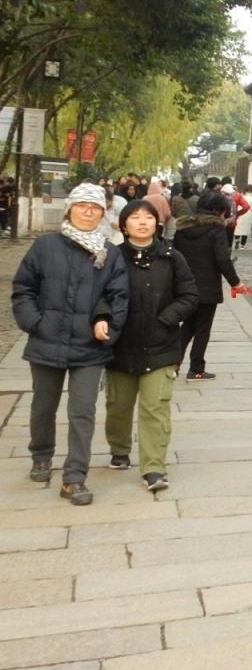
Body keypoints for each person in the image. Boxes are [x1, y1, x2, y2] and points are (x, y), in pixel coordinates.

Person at [10, 183, 129, 505]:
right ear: (70, 209)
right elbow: (24, 289)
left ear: (103, 213)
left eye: (95, 208)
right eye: (82, 206)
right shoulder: (45, 246)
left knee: (82, 411)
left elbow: (118, 297)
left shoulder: (110, 253)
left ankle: (75, 477)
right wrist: (35, 322)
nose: (88, 212)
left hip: (90, 346)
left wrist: (108, 324)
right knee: (43, 406)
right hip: (47, 339)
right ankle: (41, 454)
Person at [104, 199, 198, 491]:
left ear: (157, 223)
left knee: (155, 408)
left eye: (148, 217)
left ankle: (154, 467)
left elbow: (190, 295)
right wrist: (103, 319)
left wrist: (168, 318)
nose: (142, 222)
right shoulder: (111, 258)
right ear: (124, 225)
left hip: (161, 345)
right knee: (118, 406)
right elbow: (99, 295)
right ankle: (119, 449)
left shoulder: (172, 257)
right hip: (121, 345)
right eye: (135, 217)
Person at [173, 191, 245, 380]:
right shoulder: (216, 229)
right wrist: (235, 282)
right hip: (207, 287)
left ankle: (172, 364)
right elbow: (222, 259)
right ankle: (196, 368)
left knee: (187, 326)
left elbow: (175, 258)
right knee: (202, 328)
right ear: (218, 210)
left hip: (185, 287)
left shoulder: (182, 228)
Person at [234, 183, 252, 249]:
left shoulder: (240, 196)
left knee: (237, 228)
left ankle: (237, 240)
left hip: (239, 212)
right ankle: (242, 245)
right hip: (248, 214)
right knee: (245, 230)